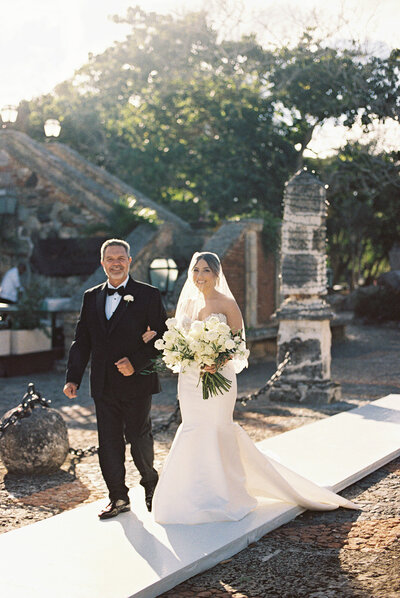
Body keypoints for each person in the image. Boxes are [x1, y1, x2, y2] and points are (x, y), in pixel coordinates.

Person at [142, 252, 358, 524]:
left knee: (217, 429)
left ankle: (224, 493)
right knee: (193, 428)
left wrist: (217, 359)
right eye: (195, 270)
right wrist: (176, 350)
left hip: (219, 379)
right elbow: (178, 341)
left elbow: (239, 346)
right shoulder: (187, 305)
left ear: (216, 274)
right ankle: (189, 496)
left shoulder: (227, 304)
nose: (199, 276)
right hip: (190, 380)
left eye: (205, 270)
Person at [63, 239, 167, 520]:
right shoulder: (91, 296)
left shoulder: (148, 295)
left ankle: (150, 483)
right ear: (103, 263)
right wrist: (73, 378)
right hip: (103, 384)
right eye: (110, 259)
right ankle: (118, 497)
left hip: (138, 382)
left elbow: (163, 337)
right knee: (108, 442)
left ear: (130, 261)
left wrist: (136, 362)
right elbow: (81, 342)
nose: (116, 263)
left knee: (138, 436)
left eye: (121, 258)